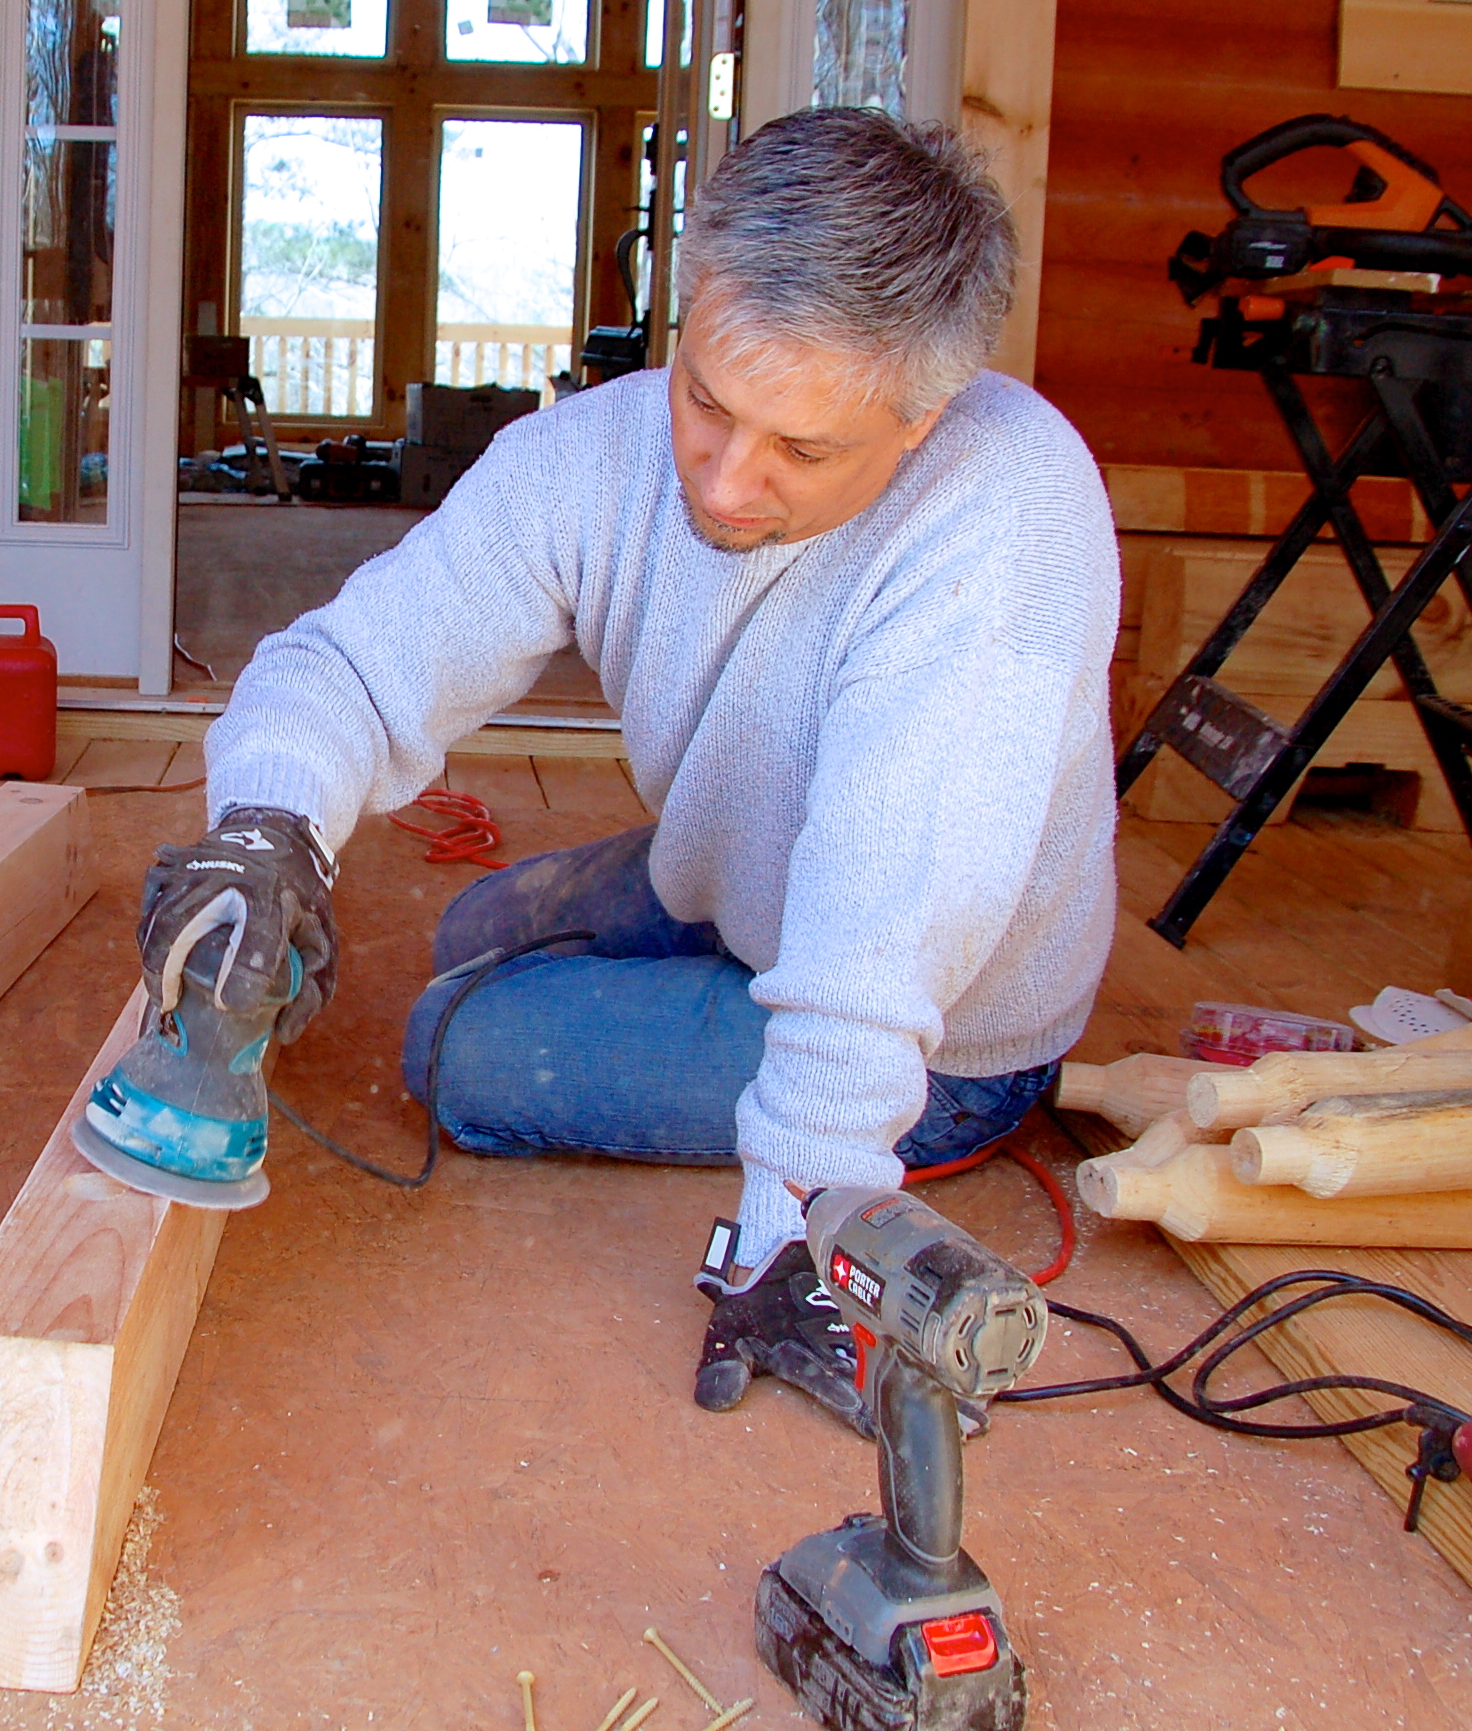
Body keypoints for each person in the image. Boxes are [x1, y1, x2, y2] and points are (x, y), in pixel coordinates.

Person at [136, 108, 1118, 1430]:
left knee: (461, 1045)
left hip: (939, 1026)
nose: (725, 481)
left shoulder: (1007, 509)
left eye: (801, 450)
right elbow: (357, 665)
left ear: (921, 417)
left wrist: (802, 1228)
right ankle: (676, 942)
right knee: (472, 928)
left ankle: (850, 1107)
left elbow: (891, 907)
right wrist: (266, 829)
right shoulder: (589, 461)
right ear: (691, 303)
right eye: (706, 400)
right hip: (745, 877)